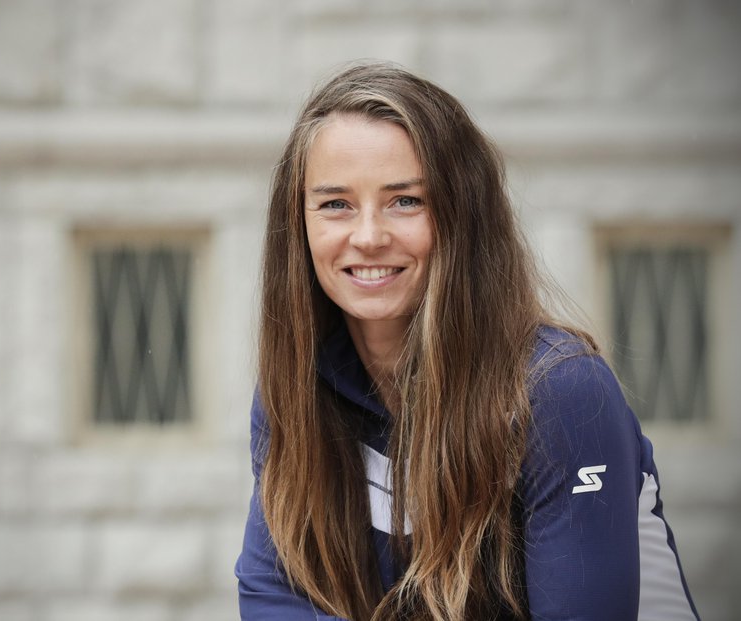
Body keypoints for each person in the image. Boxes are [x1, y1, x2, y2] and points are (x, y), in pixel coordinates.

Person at [234, 62, 699, 620]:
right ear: (299, 223)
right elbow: (275, 596)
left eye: (406, 200)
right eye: (336, 204)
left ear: (463, 215)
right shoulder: (298, 385)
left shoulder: (562, 393)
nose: (369, 236)